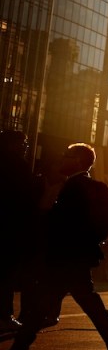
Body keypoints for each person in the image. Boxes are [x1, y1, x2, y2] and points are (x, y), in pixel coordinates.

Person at [0, 143, 108, 350]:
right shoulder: (84, 186)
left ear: (79, 161)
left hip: (67, 257)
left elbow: (62, 222)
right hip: (74, 257)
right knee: (62, 304)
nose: (62, 159)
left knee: (48, 305)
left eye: (67, 156)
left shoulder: (74, 187)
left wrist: (48, 214)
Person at [0, 130, 41, 331]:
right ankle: (4, 316)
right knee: (7, 275)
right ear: (11, 145)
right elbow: (28, 201)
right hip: (12, 230)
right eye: (22, 143)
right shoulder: (18, 167)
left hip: (10, 227)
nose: (25, 147)